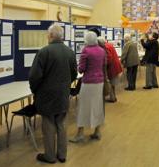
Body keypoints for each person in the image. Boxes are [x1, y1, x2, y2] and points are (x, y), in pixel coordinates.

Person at [29, 23, 77, 164]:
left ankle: (49, 156)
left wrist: (35, 90)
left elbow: (34, 76)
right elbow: (74, 73)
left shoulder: (44, 52)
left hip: (47, 96)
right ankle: (62, 155)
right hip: (63, 94)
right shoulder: (70, 52)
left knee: (48, 125)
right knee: (62, 124)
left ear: (50, 36)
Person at [70, 31, 106, 143]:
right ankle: (97, 131)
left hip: (88, 82)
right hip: (100, 81)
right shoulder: (102, 50)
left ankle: (80, 133)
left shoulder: (86, 50)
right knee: (97, 105)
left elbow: (81, 69)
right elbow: (104, 64)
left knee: (83, 107)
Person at [97, 37, 123, 102]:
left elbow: (108, 59)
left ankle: (112, 98)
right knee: (112, 83)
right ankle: (113, 97)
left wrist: (102, 64)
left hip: (111, 68)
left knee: (110, 83)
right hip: (116, 66)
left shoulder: (105, 47)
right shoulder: (109, 45)